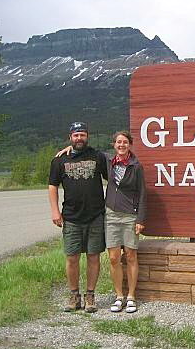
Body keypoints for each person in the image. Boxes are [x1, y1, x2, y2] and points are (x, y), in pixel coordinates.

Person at [57, 130, 147, 314]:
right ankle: (118, 296)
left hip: (130, 215)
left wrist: (141, 218)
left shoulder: (136, 166)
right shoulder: (107, 161)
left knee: (130, 255)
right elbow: (84, 150)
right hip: (111, 215)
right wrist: (70, 148)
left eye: (125, 142)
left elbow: (143, 193)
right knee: (113, 258)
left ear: (130, 144)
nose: (121, 145)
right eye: (118, 142)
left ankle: (131, 297)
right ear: (113, 145)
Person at [49, 122, 109, 313]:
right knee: (72, 257)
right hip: (71, 216)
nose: (79, 138)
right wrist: (55, 211)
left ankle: (90, 295)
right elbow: (52, 187)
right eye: (76, 136)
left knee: (93, 256)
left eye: (82, 135)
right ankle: (74, 295)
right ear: (70, 137)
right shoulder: (59, 160)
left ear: (87, 136)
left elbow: (114, 175)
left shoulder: (97, 156)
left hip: (95, 215)